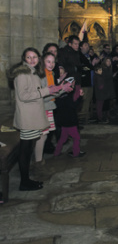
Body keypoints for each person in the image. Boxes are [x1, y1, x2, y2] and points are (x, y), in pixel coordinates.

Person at [8, 48, 71, 191]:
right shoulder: (22, 74)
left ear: (38, 58)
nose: (32, 60)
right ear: (24, 59)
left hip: (33, 116)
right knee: (25, 150)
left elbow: (40, 95)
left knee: (28, 148)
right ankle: (24, 182)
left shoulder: (33, 72)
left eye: (34, 57)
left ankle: (26, 179)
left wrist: (58, 89)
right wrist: (48, 90)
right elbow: (24, 96)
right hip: (27, 117)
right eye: (29, 57)